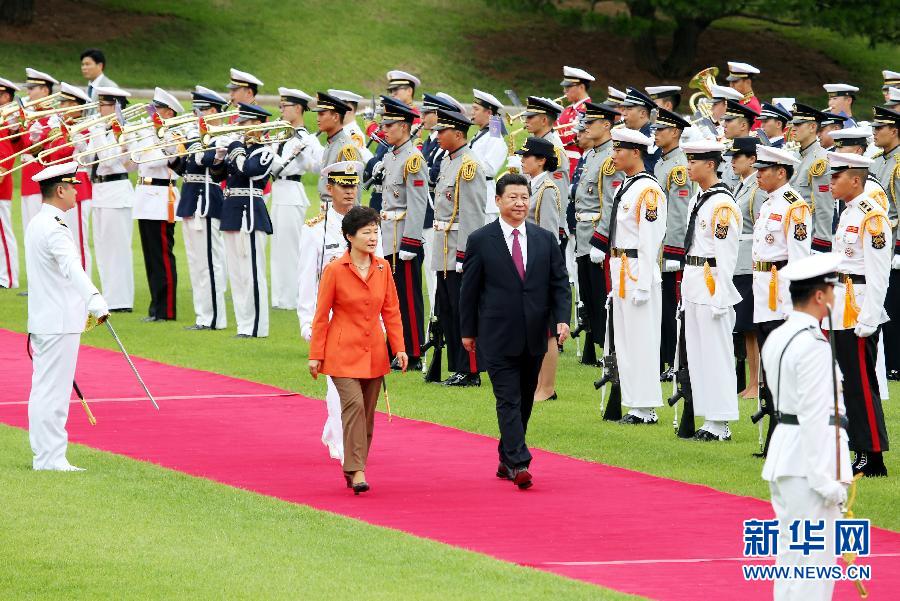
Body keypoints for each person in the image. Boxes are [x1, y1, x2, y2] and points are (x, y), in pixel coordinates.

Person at [459, 173, 571, 490]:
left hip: (535, 334)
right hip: (496, 334)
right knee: (507, 398)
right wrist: (467, 331)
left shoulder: (544, 239)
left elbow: (559, 284)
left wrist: (562, 319)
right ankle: (520, 461)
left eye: (524, 197)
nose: (520, 203)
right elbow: (469, 291)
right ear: (498, 201)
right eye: (513, 197)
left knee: (524, 400)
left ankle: (506, 457)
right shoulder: (481, 240)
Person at [761, 253, 851, 601]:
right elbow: (813, 417)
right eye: (832, 290)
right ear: (819, 296)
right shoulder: (813, 345)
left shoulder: (779, 336)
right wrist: (824, 481)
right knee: (813, 569)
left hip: (787, 453)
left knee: (792, 561)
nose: (835, 296)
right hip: (806, 463)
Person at [308, 205, 407, 495]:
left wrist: (399, 348)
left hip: (374, 353)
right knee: (353, 407)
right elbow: (321, 315)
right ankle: (357, 469)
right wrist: (315, 355)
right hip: (341, 354)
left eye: (375, 231)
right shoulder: (334, 270)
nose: (373, 237)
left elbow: (391, 311)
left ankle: (354, 468)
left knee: (367, 416)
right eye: (366, 232)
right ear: (350, 236)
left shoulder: (383, 268)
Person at [26, 162, 109, 471]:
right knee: (54, 394)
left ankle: (46, 455)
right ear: (60, 190)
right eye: (72, 186)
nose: (77, 191)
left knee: (45, 390)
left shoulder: (39, 222)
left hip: (47, 318)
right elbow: (72, 267)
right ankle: (50, 458)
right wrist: (95, 299)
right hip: (58, 321)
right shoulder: (55, 227)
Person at [298, 161, 377, 463]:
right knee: (339, 385)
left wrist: (382, 323)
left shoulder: (369, 226)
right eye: (343, 186)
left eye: (353, 185)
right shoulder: (315, 230)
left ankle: (335, 432)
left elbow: (379, 275)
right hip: (331, 318)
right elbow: (307, 280)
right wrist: (307, 322)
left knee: (361, 384)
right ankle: (347, 448)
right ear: (329, 189)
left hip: (363, 319)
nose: (349, 191)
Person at [825, 151, 891, 477]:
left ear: (855, 180)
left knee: (862, 385)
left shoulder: (871, 216)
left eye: (837, 176)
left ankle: (873, 456)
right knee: (848, 384)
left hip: (859, 308)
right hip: (841, 306)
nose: (831, 182)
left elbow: (879, 274)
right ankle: (860, 449)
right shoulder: (849, 212)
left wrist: (870, 316)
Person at [601, 128, 668, 425]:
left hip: (638, 269)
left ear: (636, 152)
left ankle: (646, 407)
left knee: (642, 340)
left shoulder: (648, 190)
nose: (613, 155)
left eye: (619, 150)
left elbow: (650, 240)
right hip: (622, 268)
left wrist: (642, 284)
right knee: (626, 341)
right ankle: (634, 402)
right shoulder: (627, 186)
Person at [751, 145, 812, 455]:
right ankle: (775, 437)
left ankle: (789, 437)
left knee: (784, 369)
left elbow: (799, 260)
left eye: (764, 170)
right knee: (770, 367)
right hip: (763, 292)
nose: (758, 174)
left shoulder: (794, 206)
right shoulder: (768, 204)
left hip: (781, 296)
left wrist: (793, 307)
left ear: (781, 172)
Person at [680, 140, 742, 441]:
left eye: (694, 161)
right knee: (698, 355)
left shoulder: (722, 204)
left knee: (716, 355)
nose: (689, 166)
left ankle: (721, 422)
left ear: (710, 164)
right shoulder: (699, 198)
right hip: (694, 281)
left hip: (712, 283)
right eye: (688, 160)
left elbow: (727, 255)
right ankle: (708, 419)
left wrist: (721, 297)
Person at [431, 108, 487, 387]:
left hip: (458, 248)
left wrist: (467, 254)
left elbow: (473, 214)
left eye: (442, 131)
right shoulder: (448, 160)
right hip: (443, 246)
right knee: (449, 309)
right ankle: (458, 367)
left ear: (457, 133)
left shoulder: (469, 165)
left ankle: (471, 369)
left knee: (464, 310)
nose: (437, 135)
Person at [378, 96, 428, 372]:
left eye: (390, 124)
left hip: (403, 238)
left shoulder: (413, 159)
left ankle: (413, 351)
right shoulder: (393, 155)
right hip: (388, 234)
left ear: (405, 126)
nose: (384, 129)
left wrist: (410, 242)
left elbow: (418, 204)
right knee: (391, 297)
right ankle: (396, 348)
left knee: (408, 298)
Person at [175, 87, 230, 330]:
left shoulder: (221, 137)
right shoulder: (197, 136)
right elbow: (182, 169)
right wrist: (171, 149)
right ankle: (202, 316)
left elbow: (209, 161)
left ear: (214, 111)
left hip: (207, 200)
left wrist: (194, 142)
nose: (196, 115)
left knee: (209, 262)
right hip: (190, 200)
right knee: (196, 263)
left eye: (201, 110)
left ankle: (214, 317)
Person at [218, 103, 275, 338]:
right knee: (237, 274)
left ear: (258, 124)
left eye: (245, 123)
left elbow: (250, 170)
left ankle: (257, 327)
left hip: (250, 211)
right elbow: (219, 174)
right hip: (232, 211)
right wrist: (219, 156)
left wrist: (235, 149)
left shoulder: (265, 150)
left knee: (252, 272)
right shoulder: (239, 149)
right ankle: (243, 325)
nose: (240, 127)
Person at [573, 102, 622, 366]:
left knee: (602, 296)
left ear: (606, 125)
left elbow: (611, 204)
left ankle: (609, 348)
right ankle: (598, 347)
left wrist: (601, 240)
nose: (586, 127)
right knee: (589, 297)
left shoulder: (610, 159)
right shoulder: (593, 155)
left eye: (591, 123)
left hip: (597, 236)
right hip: (584, 234)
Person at [515, 137, 563, 402]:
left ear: (541, 160)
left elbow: (549, 234)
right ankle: (535, 383)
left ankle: (547, 387)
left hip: (539, 266)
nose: (522, 160)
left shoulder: (547, 189)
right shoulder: (530, 186)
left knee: (546, 330)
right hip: (524, 262)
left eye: (527, 156)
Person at [132, 87, 184, 322]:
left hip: (162, 198)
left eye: (157, 110)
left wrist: (154, 138)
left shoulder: (174, 135)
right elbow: (135, 159)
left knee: (162, 256)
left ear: (169, 112)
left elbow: (157, 160)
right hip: (145, 196)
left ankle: (166, 310)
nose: (151, 114)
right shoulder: (149, 133)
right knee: (151, 258)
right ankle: (155, 307)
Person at [269, 87, 323, 310]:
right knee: (277, 248)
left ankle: (291, 298)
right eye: (280, 106)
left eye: (285, 106)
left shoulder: (306, 138)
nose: (281, 110)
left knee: (290, 250)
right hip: (278, 191)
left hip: (292, 193)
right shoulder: (281, 134)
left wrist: (303, 158)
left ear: (298, 108)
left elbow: (319, 165)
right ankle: (279, 298)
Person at [84, 86, 136, 312]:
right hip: (99, 191)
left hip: (116, 192)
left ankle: (121, 300)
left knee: (118, 250)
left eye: (103, 105)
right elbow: (87, 160)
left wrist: (96, 133)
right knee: (103, 249)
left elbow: (108, 159)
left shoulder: (125, 130)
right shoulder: (101, 129)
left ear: (115, 106)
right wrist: (78, 140)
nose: (99, 109)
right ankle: (109, 296)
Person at [652, 108, 692, 381]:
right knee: (661, 307)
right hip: (658, 246)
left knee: (670, 308)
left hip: (669, 249)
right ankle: (665, 358)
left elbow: (678, 212)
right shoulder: (662, 163)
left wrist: (674, 251)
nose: (656, 133)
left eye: (661, 129)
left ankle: (673, 361)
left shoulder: (678, 167)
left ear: (675, 132)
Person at [39, 83, 94, 277]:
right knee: (63, 241)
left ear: (75, 106)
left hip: (77, 189)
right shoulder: (61, 129)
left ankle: (85, 284)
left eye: (63, 103)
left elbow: (66, 153)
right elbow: (48, 156)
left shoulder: (83, 129)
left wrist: (61, 133)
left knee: (78, 241)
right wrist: (49, 133)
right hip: (60, 188)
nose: (60, 107)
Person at [728, 137, 768, 399]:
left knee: (753, 327)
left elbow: (761, 228)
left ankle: (758, 382)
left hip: (750, 264)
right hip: (739, 263)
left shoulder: (756, 189)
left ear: (752, 159)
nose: (732, 162)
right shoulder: (742, 186)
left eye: (738, 157)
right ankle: (753, 381)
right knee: (746, 329)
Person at [870, 106, 900, 380]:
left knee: (894, 305)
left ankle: (895, 363)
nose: (874, 132)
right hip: (877, 241)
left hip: (894, 244)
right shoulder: (877, 161)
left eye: (880, 128)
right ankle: (886, 360)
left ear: (895, 130)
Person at [14, 68, 59, 233]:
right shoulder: (29, 116)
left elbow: (46, 151)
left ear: (45, 90)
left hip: (41, 181)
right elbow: (18, 148)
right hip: (27, 179)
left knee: (40, 231)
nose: (28, 92)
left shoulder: (52, 118)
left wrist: (25, 128)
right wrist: (13, 130)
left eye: (32, 88)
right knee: (29, 231)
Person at [790, 104, 835, 254]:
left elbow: (824, 206)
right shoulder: (794, 156)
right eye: (793, 124)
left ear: (812, 127)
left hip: (809, 237)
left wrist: (821, 243)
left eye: (798, 125)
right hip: (792, 234)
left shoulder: (821, 160)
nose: (793, 128)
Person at [313, 92, 361, 204]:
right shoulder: (331, 144)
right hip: (328, 208)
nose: (318, 119)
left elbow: (353, 191)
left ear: (335, 117)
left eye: (322, 114)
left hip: (340, 209)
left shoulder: (346, 149)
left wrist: (353, 215)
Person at [469, 89, 507, 224]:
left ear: (489, 113)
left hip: (484, 199)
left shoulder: (495, 138)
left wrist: (465, 163)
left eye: (476, 109)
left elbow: (490, 169)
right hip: (473, 195)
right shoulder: (481, 134)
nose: (472, 112)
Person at [0, 76, 20, 289]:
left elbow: (5, 154)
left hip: (1, 185)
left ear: (6, 96)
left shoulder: (6, 120)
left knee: (3, 234)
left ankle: (8, 278)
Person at [558, 66, 594, 175]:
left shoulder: (588, 110)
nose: (564, 91)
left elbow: (573, 138)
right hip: (562, 162)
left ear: (581, 87)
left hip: (576, 164)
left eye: (568, 87)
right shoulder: (568, 109)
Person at [719, 99, 758, 191]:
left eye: (729, 120)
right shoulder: (730, 147)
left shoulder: (755, 152)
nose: (724, 125)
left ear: (743, 125)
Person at [618, 88, 661, 171]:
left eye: (629, 109)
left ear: (642, 113)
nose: (624, 113)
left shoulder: (651, 138)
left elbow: (647, 171)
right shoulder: (633, 134)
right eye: (624, 109)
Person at [725, 61, 761, 129]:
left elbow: (751, 133)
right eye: (730, 82)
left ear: (748, 82)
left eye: (735, 81)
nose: (731, 85)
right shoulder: (737, 101)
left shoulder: (751, 105)